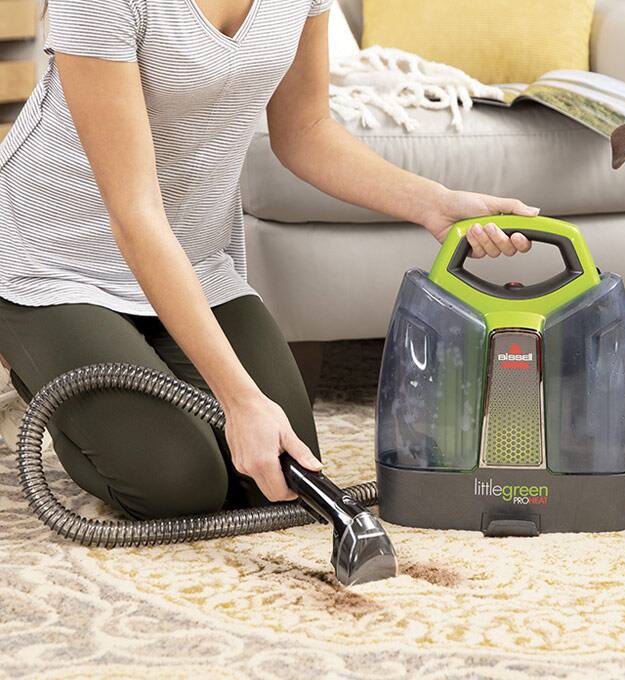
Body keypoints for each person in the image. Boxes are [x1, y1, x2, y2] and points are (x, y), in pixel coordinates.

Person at [0, 0, 536, 519]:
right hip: (51, 261)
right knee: (179, 485)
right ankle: (37, 353)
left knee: (276, 474)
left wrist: (437, 205)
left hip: (195, 262)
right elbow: (136, 215)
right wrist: (240, 401)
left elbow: (305, 133)